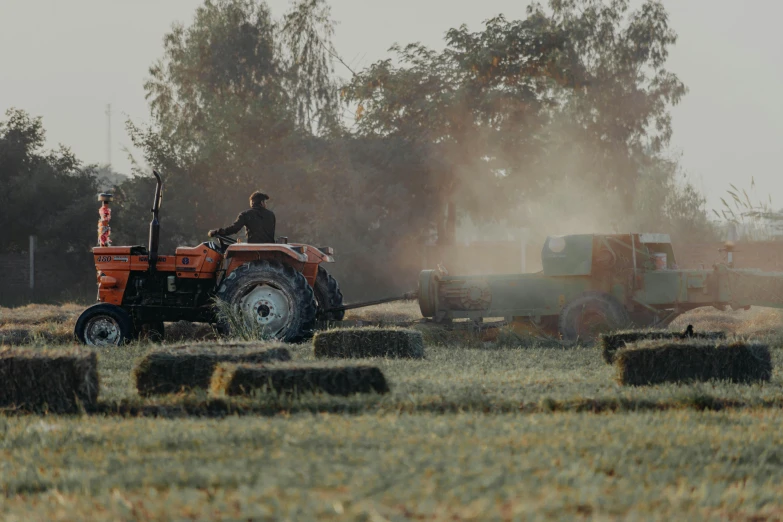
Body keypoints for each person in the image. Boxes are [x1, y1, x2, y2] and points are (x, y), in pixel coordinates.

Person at [208, 191, 276, 243]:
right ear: (261, 203)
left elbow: (234, 229)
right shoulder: (271, 215)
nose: (266, 204)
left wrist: (217, 232)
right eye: (265, 202)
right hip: (270, 250)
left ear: (252, 203)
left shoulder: (245, 214)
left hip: (254, 250)